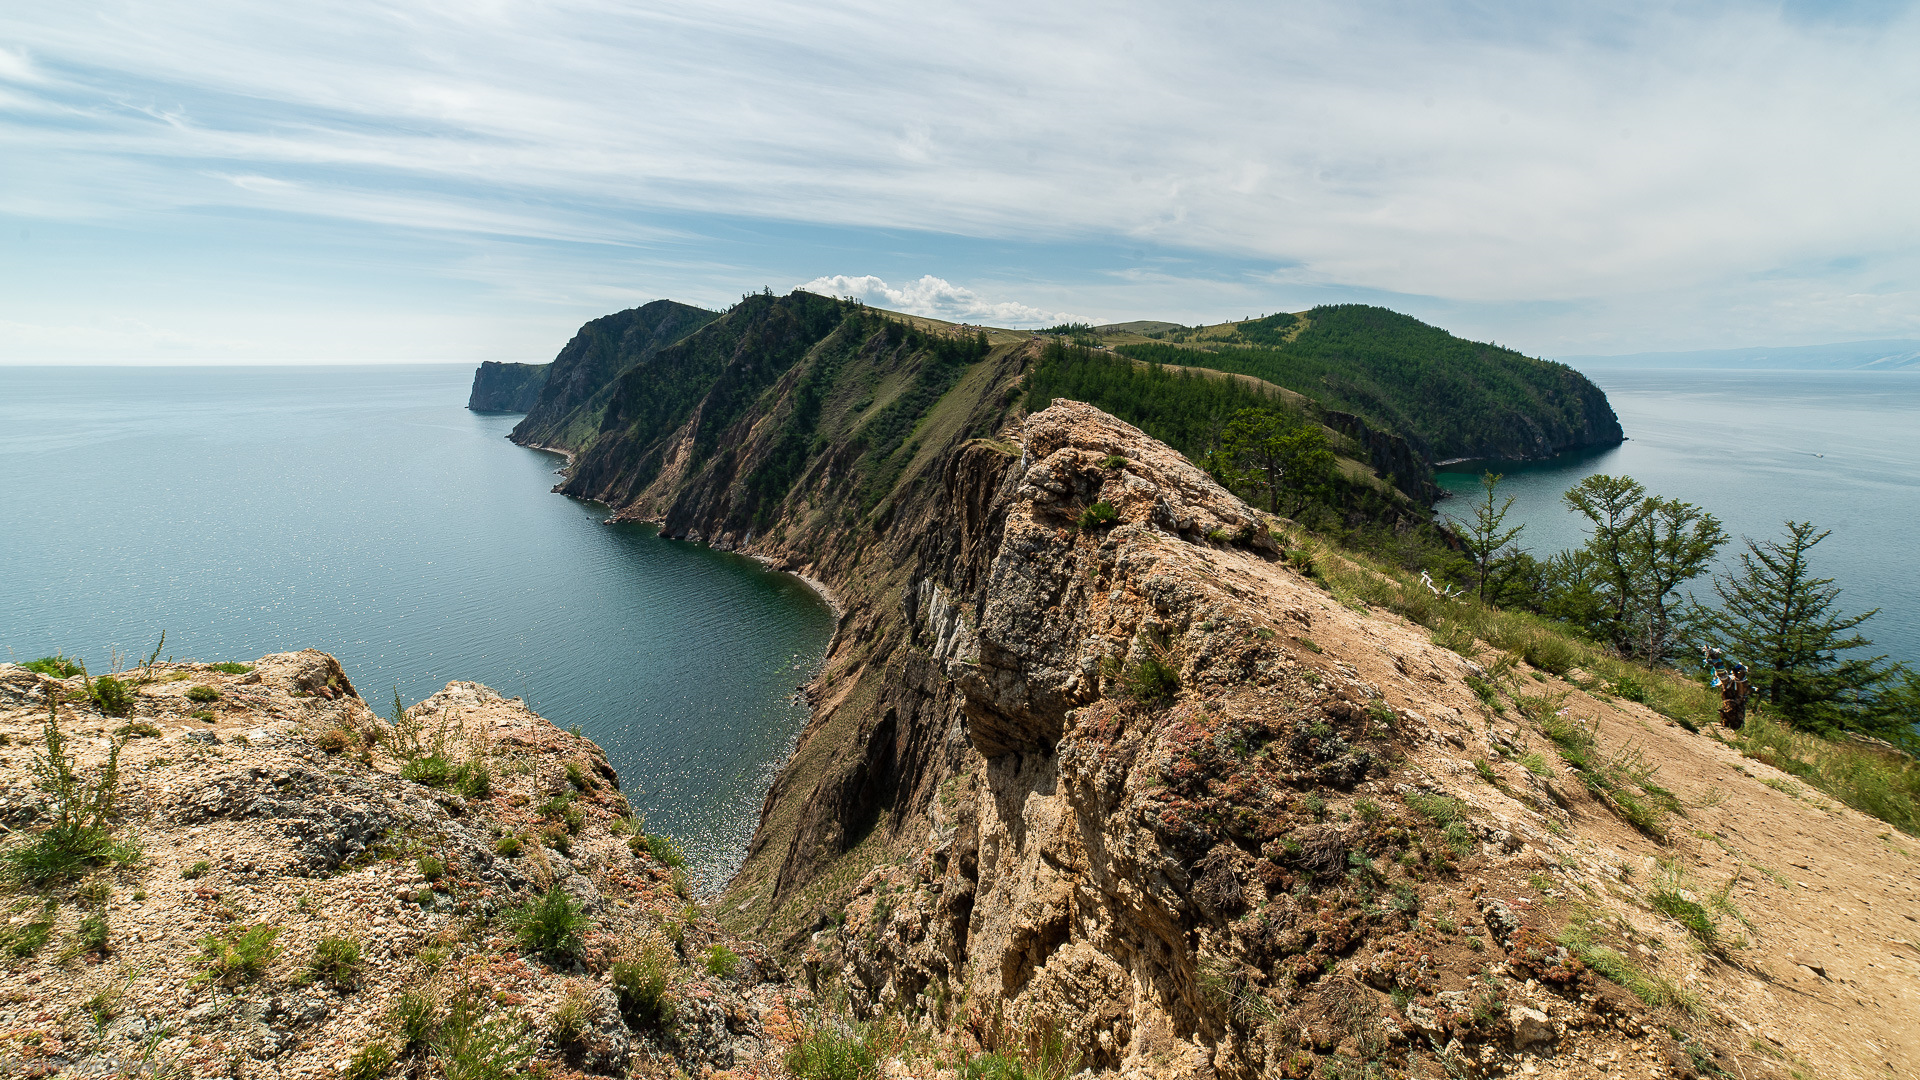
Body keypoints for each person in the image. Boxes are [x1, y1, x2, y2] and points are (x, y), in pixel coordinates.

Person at [1719, 662, 1751, 730]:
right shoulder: (1731, 680)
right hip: (1731, 703)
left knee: (1737, 716)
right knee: (1731, 713)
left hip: (1737, 703)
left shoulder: (1741, 682)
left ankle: (1735, 727)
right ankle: (1729, 725)